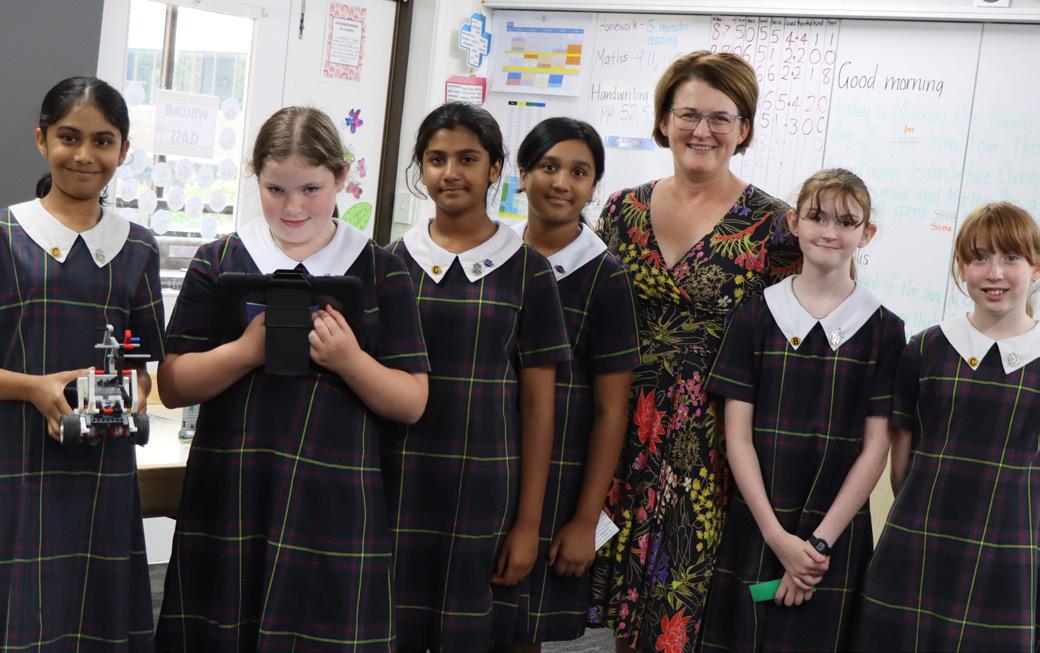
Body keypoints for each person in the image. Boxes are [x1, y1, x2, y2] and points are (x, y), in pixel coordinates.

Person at [154, 106, 429, 651]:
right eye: (275, 189)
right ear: (255, 176)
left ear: (341, 178)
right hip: (232, 489)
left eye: (311, 189)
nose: (294, 207)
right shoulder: (219, 260)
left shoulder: (380, 268)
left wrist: (350, 360)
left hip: (336, 498)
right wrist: (244, 351)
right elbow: (174, 383)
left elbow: (412, 401)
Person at [587, 50, 802, 651]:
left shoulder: (776, 226)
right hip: (619, 426)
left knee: (682, 611)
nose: (701, 130)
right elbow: (591, 318)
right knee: (618, 607)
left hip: (711, 441)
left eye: (720, 117)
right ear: (663, 121)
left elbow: (796, 342)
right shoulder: (620, 210)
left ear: (744, 128)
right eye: (687, 114)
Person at [384, 102, 571, 651]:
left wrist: (529, 524)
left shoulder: (529, 270)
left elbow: (539, 407)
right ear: (421, 168)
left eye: (467, 158)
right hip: (398, 480)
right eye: (436, 159)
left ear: (495, 169)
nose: (451, 172)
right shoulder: (389, 263)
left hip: (486, 490)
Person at [699, 168, 905, 651]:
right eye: (817, 217)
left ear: (867, 233)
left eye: (846, 222)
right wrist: (778, 539)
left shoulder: (885, 330)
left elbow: (876, 449)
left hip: (835, 534)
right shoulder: (754, 316)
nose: (830, 232)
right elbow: (737, 438)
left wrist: (815, 547)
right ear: (794, 222)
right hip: (759, 523)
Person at [0, 76, 164, 652]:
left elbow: (141, 364)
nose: (85, 155)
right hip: (16, 463)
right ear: (41, 139)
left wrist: (133, 396)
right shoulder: (5, 235)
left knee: (96, 622)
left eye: (103, 141)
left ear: (123, 150)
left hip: (103, 469)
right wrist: (33, 388)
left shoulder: (138, 247)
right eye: (69, 137)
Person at [855, 201, 1040, 652]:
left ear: (1036, 268)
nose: (994, 273)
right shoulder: (925, 349)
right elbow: (901, 464)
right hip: (917, 544)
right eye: (979, 257)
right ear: (961, 266)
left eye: (1011, 257)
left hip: (1012, 551)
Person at [505, 118, 640, 648]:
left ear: (593, 186)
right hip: (494, 466)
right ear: (522, 174)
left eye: (579, 172)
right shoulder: (500, 259)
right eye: (548, 166)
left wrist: (586, 520)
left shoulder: (605, 276)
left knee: (520, 631)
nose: (562, 182)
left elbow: (611, 410)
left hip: (559, 481)